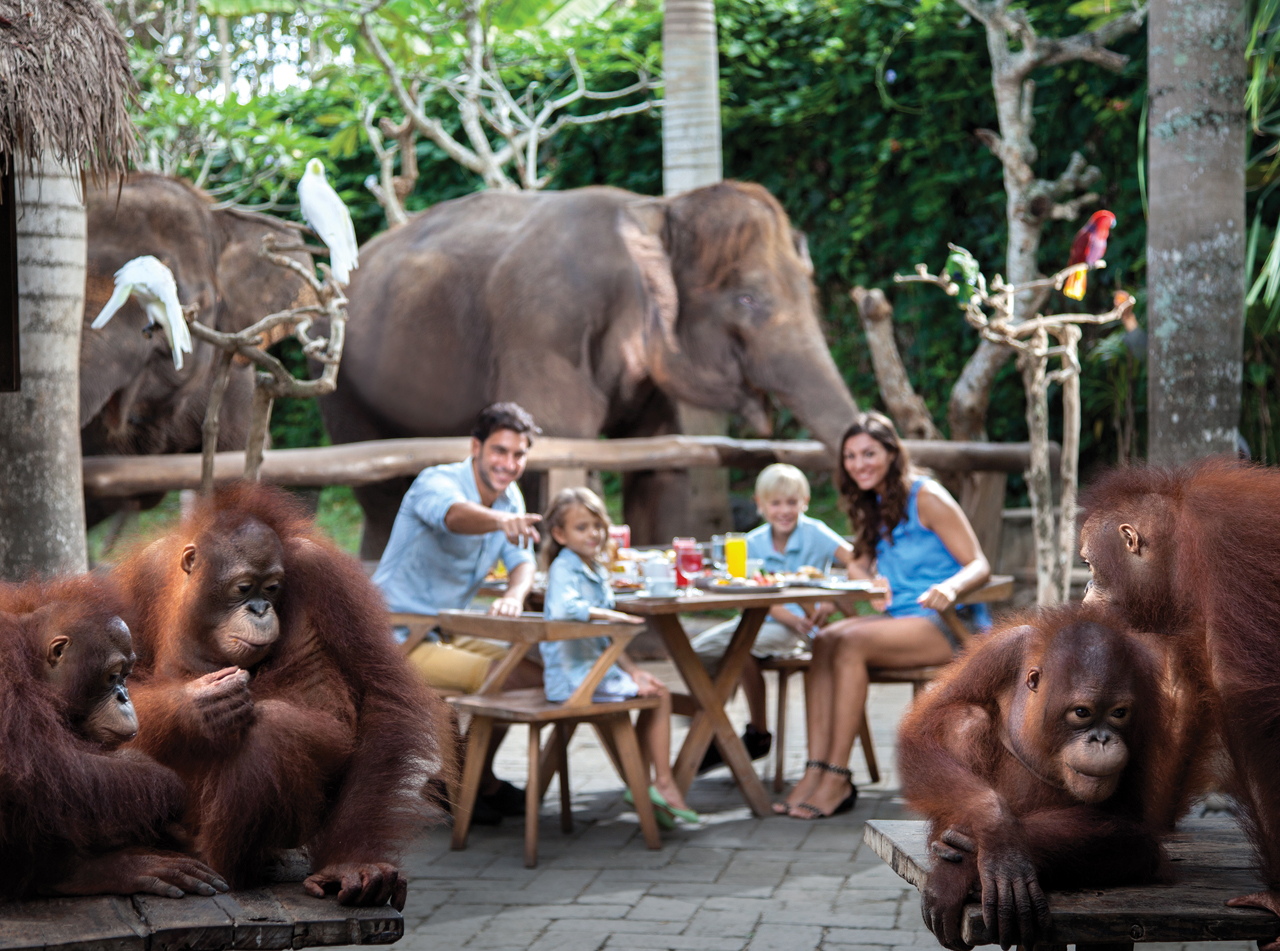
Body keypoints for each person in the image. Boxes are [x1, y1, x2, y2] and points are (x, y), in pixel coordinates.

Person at [778, 410, 991, 820]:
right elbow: (856, 563)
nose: (860, 464)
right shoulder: (874, 501)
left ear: (892, 453)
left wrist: (949, 587)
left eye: (869, 453)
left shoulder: (926, 496)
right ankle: (815, 771)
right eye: (851, 456)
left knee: (850, 643)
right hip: (899, 619)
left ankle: (838, 776)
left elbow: (978, 562)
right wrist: (868, 582)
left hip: (946, 621)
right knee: (824, 639)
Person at [373, 402, 545, 825]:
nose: (508, 464)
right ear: (476, 447)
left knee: (534, 672)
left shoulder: (510, 498)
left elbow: (523, 560)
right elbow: (454, 517)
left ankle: (469, 780)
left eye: (518, 455)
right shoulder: (439, 482)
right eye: (500, 451)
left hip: (446, 630)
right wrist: (501, 521)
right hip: (395, 635)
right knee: (503, 679)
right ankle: (466, 784)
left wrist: (516, 594)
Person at [540, 487, 699, 827]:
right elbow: (561, 609)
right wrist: (609, 615)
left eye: (597, 526)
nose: (594, 534)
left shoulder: (595, 569)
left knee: (652, 690)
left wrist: (634, 671)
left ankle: (643, 784)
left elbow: (607, 643)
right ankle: (661, 784)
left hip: (596, 670)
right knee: (661, 697)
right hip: (574, 679)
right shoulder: (564, 568)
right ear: (559, 534)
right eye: (582, 527)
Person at [689, 464, 853, 771]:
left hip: (801, 628)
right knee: (696, 652)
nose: (784, 510)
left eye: (792, 502)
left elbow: (855, 563)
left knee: (740, 648)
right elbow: (746, 593)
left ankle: (757, 733)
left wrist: (829, 603)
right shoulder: (751, 543)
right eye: (775, 503)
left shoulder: (815, 533)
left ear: (804, 501)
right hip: (760, 621)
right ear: (760, 504)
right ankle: (711, 727)